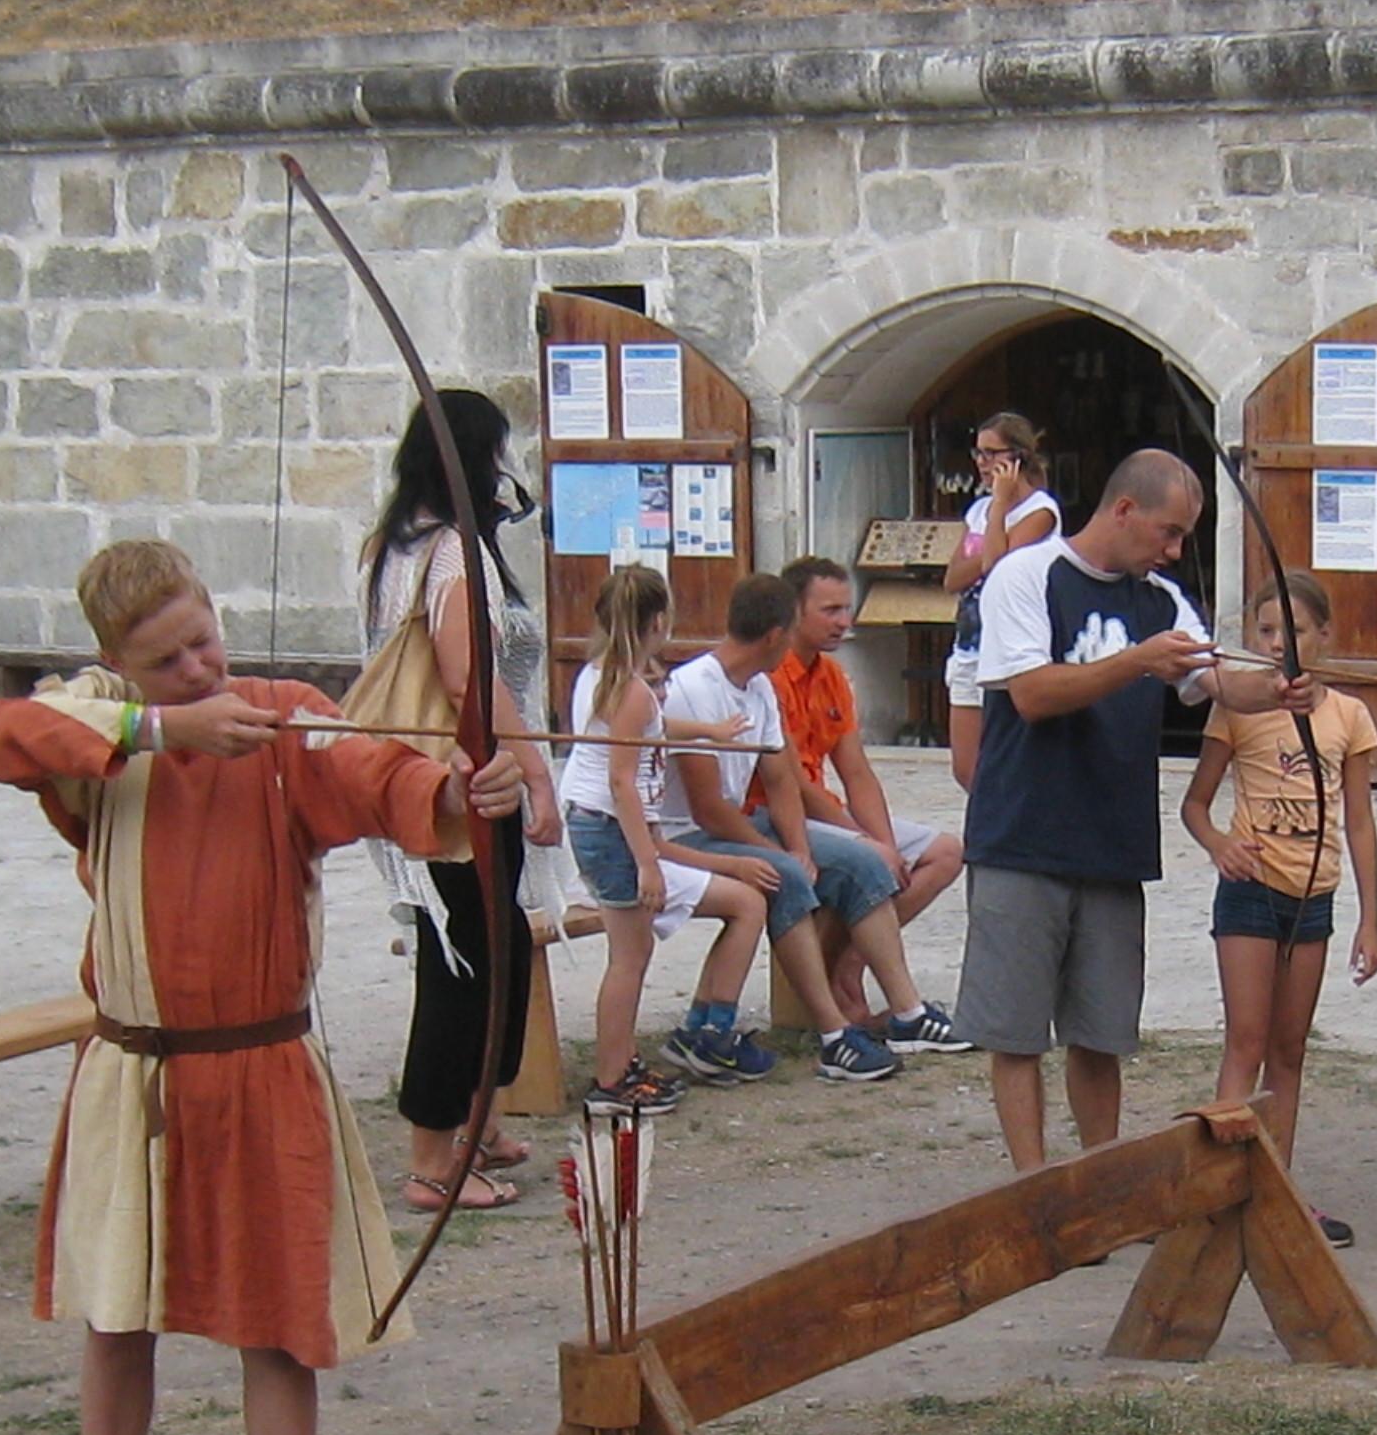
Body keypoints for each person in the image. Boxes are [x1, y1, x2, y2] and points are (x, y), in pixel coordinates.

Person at [0, 539, 532, 1435]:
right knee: (116, 1317)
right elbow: (8, 736)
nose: (198, 666)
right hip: (134, 1072)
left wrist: (465, 788)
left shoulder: (279, 722)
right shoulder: (99, 733)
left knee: (278, 1329)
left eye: (203, 638)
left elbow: (382, 778)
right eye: (166, 657)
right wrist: (164, 727)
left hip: (261, 1064)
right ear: (117, 663)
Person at [961, 448, 1316, 1174]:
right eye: (1169, 531)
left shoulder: (1160, 600)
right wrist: (1135, 662)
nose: (1176, 549)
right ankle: (1035, 1191)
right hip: (1021, 836)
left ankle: (1099, 1186)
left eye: (1184, 535)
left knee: (1102, 1034)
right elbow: (1030, 694)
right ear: (1123, 510)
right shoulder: (1026, 576)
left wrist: (1278, 689)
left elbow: (1217, 679)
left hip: (1112, 843)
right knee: (1017, 1034)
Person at [360, 389, 571, 1213]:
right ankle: (429, 1160)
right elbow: (466, 676)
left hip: (447, 773)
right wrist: (536, 771)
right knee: (461, 965)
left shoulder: (398, 543)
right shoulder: (447, 550)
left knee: (499, 943)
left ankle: (475, 1123)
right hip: (460, 780)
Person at [661, 573, 969, 1082]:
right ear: (778, 634)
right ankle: (832, 1034)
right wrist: (778, 851)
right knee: (784, 873)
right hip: (688, 834)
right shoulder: (694, 689)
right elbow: (708, 809)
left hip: (741, 823)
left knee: (860, 862)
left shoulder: (757, 684)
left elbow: (781, 777)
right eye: (830, 610)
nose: (842, 623)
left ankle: (906, 1014)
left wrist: (802, 846)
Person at [1180, 570, 1377, 1246]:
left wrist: (1370, 918)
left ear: (1325, 636)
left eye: (1295, 631)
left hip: (1314, 897)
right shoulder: (1236, 707)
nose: (1280, 644)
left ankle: (1277, 1190)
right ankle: (1218, 1191)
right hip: (1250, 891)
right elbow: (1195, 804)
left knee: (1289, 1050)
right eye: (1267, 632)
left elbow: (1359, 821)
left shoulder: (1348, 716)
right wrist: (1218, 846)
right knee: (1246, 1039)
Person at [559, 565, 777, 1114]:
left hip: (600, 822)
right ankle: (611, 1081)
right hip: (611, 827)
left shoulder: (603, 676)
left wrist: (706, 731)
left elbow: (648, 727)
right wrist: (648, 862)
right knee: (629, 956)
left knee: (636, 950)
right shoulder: (630, 689)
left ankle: (622, 1058)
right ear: (659, 621)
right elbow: (621, 781)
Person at [770, 555, 968, 1026]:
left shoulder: (832, 676)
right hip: (777, 816)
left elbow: (856, 772)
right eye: (831, 610)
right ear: (794, 612)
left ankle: (852, 961)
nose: (845, 622)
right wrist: (870, 845)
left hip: (823, 813)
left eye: (847, 609)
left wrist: (882, 839)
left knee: (945, 852)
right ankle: (890, 1005)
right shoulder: (771, 676)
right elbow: (792, 785)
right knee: (867, 863)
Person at [940, 412, 1061, 792]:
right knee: (966, 766)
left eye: (992, 454)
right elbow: (953, 578)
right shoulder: (976, 511)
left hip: (1008, 646)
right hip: (970, 641)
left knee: (1006, 760)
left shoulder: (1040, 511)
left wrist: (1000, 508)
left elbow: (997, 565)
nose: (982, 463)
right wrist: (992, 530)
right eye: (978, 453)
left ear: (1017, 458)